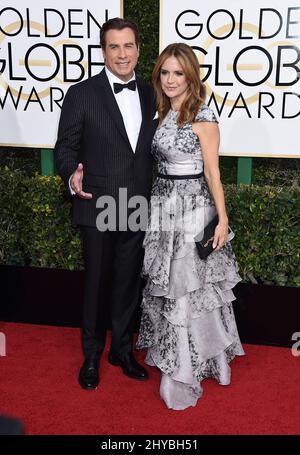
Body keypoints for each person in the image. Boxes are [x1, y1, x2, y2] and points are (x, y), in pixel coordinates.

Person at [136, 43, 245, 410]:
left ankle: (185, 369)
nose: (170, 79)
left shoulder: (204, 115)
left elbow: (214, 173)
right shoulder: (163, 112)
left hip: (193, 210)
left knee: (187, 288)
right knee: (170, 285)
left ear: (190, 76)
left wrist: (223, 219)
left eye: (177, 73)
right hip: (162, 208)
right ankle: (186, 357)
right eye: (164, 72)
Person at [55, 18, 157, 390]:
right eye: (114, 47)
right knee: (97, 283)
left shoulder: (149, 93)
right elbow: (65, 147)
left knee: (129, 283)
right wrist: (71, 175)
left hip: (137, 202)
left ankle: (123, 352)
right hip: (96, 201)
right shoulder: (82, 93)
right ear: (103, 51)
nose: (122, 54)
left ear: (138, 50)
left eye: (128, 46)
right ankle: (92, 356)